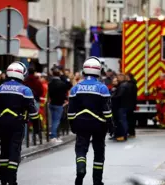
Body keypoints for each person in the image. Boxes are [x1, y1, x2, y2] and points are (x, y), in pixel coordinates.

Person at [0, 62, 40, 185]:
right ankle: (12, 180)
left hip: (1, 124)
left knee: (4, 150)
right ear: (22, 74)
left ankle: (3, 179)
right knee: (14, 151)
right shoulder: (25, 90)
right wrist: (36, 128)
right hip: (17, 124)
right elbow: (33, 112)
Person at [68, 57, 113, 185]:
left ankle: (80, 170)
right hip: (99, 124)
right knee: (99, 152)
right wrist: (110, 125)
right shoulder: (102, 88)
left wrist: (72, 124)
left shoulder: (75, 88)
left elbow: (70, 111)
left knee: (81, 149)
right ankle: (97, 181)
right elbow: (107, 110)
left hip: (81, 123)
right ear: (98, 70)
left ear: (84, 70)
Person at [48, 68, 69, 142]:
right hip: (59, 104)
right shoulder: (61, 83)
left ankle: (54, 135)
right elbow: (68, 85)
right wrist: (63, 76)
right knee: (56, 121)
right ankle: (53, 136)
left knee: (53, 120)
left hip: (52, 103)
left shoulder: (50, 83)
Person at [114, 73, 130, 141]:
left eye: (118, 77)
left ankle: (123, 135)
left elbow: (119, 95)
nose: (117, 79)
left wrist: (112, 97)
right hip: (123, 105)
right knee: (123, 120)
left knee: (122, 121)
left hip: (121, 105)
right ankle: (124, 134)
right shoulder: (124, 85)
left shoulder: (123, 85)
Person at [126, 73, 137, 138]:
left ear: (128, 77)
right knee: (131, 119)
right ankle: (131, 132)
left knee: (130, 119)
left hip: (129, 104)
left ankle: (131, 132)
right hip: (131, 104)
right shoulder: (133, 84)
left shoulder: (130, 85)